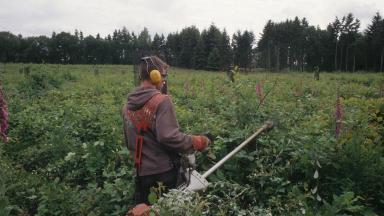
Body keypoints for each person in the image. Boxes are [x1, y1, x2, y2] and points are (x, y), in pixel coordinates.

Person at [122, 55, 211, 205]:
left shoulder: (127, 107)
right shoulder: (161, 101)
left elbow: (129, 143)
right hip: (164, 174)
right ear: (154, 76)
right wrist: (197, 141)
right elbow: (168, 137)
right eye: (163, 76)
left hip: (141, 174)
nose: (164, 80)